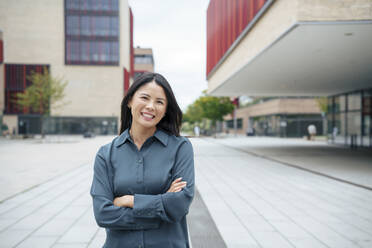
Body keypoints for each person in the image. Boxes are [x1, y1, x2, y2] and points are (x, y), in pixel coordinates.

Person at [90, 72, 195, 248]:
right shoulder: (106, 154)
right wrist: (162, 207)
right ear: (130, 100)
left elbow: (179, 204)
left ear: (166, 109)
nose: (151, 106)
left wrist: (128, 201)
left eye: (159, 102)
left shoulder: (180, 148)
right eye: (144, 98)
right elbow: (103, 214)